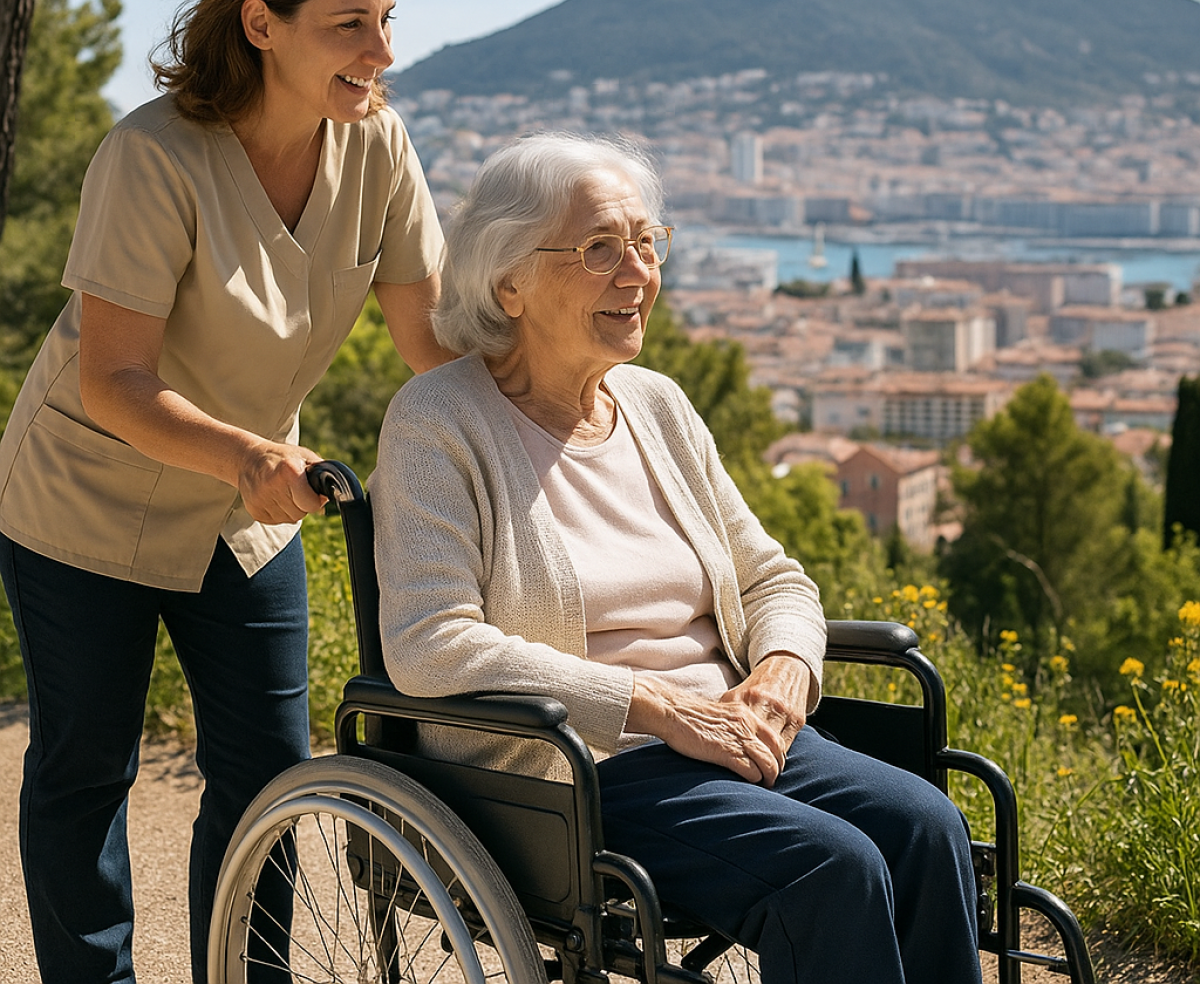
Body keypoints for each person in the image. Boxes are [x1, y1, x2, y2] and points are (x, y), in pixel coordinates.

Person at [371, 131, 983, 984]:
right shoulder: (437, 422)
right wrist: (651, 706)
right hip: (577, 770)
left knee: (926, 827)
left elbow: (775, 578)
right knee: (832, 867)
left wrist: (779, 672)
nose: (638, 273)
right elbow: (431, 642)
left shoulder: (657, 405)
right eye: (599, 249)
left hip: (727, 726)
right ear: (508, 281)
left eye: (646, 242)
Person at [0, 0, 451, 984]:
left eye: (387, 19)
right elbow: (112, 379)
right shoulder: (150, 156)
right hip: (85, 501)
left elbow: (432, 342)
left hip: (245, 513)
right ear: (261, 24)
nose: (382, 50)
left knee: (270, 777)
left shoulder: (378, 146)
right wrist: (251, 458)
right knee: (84, 773)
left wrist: (557, 397)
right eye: (351, 24)